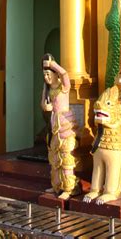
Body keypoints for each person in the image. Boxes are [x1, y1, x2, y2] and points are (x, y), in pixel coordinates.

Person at [41, 54, 79, 199]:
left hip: (65, 124)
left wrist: (52, 64)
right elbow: (43, 105)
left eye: (49, 74)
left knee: (66, 155)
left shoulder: (64, 87)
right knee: (54, 156)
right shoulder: (48, 89)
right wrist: (46, 106)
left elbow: (64, 73)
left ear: (55, 74)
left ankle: (68, 188)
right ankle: (57, 185)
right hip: (53, 124)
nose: (47, 78)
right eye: (44, 75)